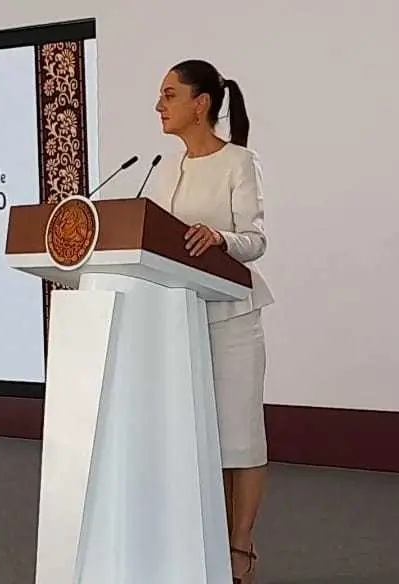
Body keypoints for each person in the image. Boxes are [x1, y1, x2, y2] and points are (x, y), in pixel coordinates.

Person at [150, 59, 274, 584]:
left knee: (239, 438)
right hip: (182, 320)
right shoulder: (163, 168)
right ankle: (204, 543)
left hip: (232, 319)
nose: (160, 105)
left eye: (170, 94)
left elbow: (256, 239)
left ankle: (239, 550)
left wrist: (221, 238)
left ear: (201, 105)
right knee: (201, 439)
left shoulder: (238, 162)